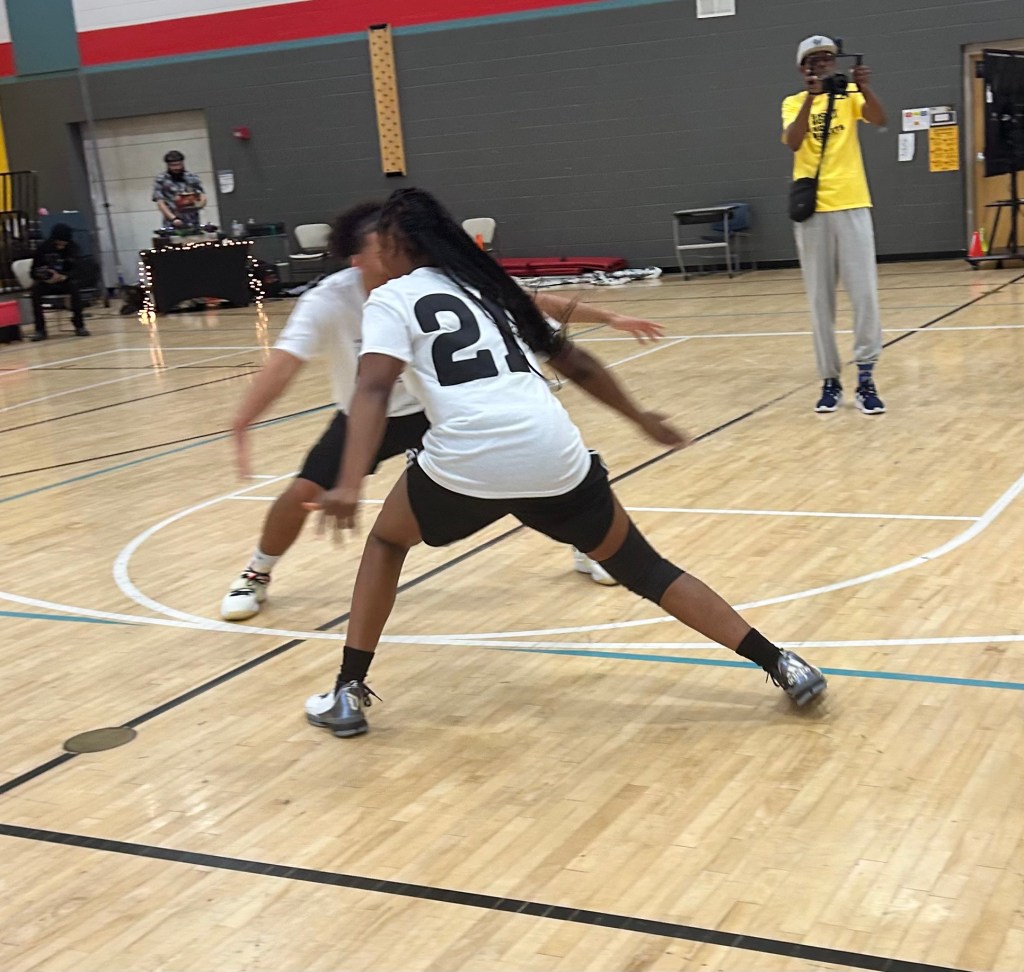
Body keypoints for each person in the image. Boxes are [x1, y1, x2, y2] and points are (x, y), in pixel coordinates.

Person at [303, 187, 827, 738]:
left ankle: (348, 691)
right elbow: (576, 362)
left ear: (394, 245)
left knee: (387, 543)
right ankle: (782, 663)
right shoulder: (489, 288)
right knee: (646, 569)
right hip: (552, 452)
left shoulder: (392, 298)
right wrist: (639, 418)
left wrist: (348, 481)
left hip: (470, 459)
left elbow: (373, 389)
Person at [220, 201, 667, 621]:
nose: (394, 251)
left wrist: (608, 317)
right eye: (382, 246)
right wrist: (244, 418)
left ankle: (588, 546)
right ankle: (257, 572)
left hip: (438, 408)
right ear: (357, 260)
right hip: (368, 415)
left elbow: (527, 300)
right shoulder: (328, 300)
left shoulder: (437, 280)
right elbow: (285, 362)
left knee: (525, 466)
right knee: (302, 491)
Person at [782, 35, 887, 415]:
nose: (824, 63)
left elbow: (879, 119)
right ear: (803, 68)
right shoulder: (793, 102)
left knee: (865, 296)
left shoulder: (850, 96)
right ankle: (829, 380)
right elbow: (793, 142)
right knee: (819, 300)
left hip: (853, 202)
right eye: (815, 59)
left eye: (828, 57)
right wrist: (811, 98)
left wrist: (865, 87)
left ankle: (866, 378)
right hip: (813, 211)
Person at [29, 223, 89, 342]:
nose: (61, 246)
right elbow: (33, 271)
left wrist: (64, 276)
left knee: (74, 288)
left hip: (65, 281)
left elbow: (79, 270)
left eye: (63, 244)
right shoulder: (42, 248)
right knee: (35, 291)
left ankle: (79, 325)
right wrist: (45, 276)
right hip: (46, 282)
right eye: (58, 243)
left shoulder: (73, 249)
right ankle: (40, 329)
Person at [152, 150, 207, 230]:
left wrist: (199, 205)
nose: (176, 168)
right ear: (168, 165)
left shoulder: (192, 177)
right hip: (171, 222)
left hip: (192, 222)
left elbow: (202, 196)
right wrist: (173, 218)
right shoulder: (161, 179)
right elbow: (160, 202)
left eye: (178, 164)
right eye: (173, 165)